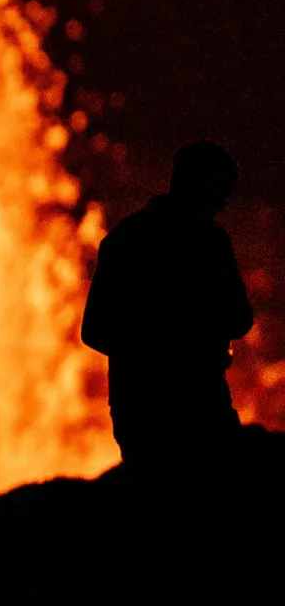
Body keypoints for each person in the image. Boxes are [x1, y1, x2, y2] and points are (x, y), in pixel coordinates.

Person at [81, 141, 251, 478]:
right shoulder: (211, 242)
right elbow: (240, 318)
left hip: (140, 407)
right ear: (200, 184)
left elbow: (95, 330)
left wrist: (143, 352)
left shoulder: (124, 239)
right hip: (198, 403)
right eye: (220, 189)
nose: (224, 201)